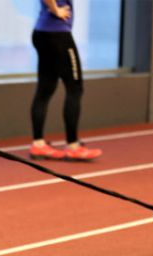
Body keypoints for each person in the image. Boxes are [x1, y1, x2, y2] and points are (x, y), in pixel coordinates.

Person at [29, 0, 102, 161]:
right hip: (57, 35)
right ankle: (73, 146)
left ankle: (38, 144)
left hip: (43, 32)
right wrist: (55, 10)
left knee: (45, 89)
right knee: (75, 88)